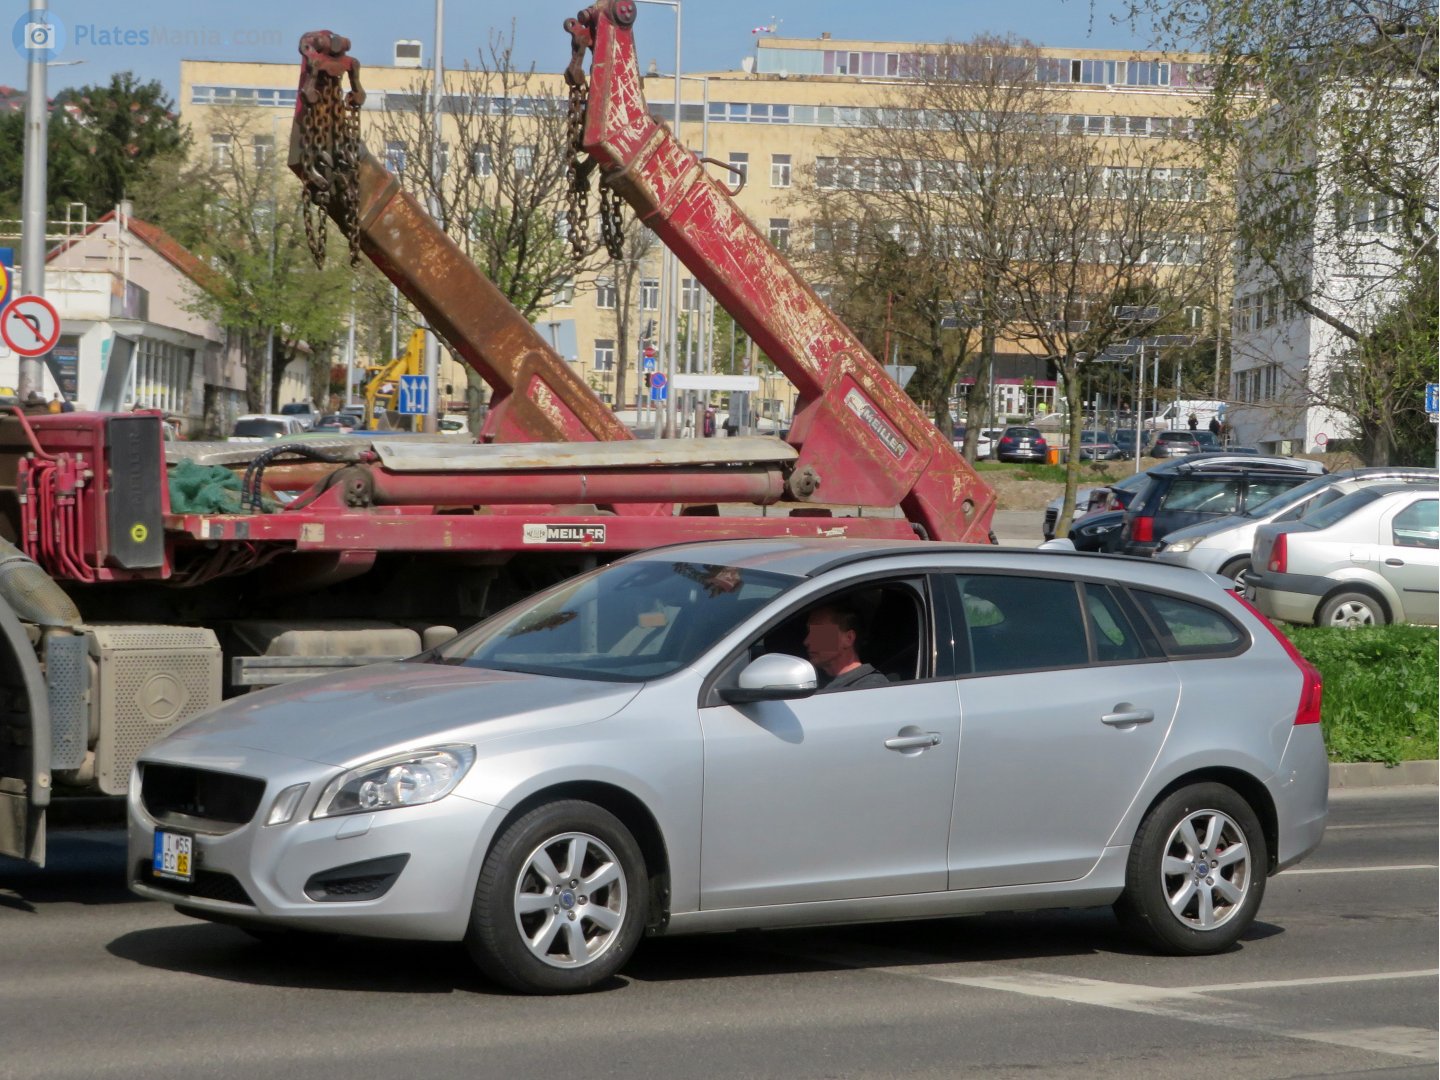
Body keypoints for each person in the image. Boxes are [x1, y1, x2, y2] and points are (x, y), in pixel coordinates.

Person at [804, 604, 889, 691]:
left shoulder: (871, 686)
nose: (806, 642)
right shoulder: (812, 681)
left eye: (818, 632)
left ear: (848, 638)